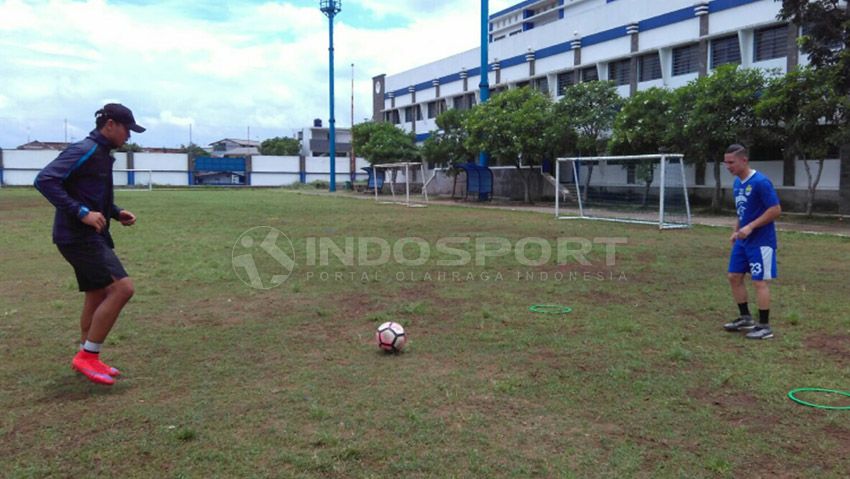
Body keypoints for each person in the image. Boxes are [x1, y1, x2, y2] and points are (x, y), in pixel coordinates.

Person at [35, 103, 145, 385]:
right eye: (126, 129)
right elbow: (45, 180)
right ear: (109, 125)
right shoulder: (83, 150)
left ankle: (87, 355)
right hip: (78, 236)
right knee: (122, 288)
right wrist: (81, 213)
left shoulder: (101, 154)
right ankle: (87, 356)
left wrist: (114, 212)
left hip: (86, 235)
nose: (129, 136)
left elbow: (86, 192)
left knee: (97, 293)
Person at [722, 144, 781, 340]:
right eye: (726, 163)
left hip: (761, 241)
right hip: (743, 240)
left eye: (731, 162)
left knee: (759, 281)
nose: (728, 166)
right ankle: (745, 318)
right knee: (734, 276)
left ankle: (765, 326)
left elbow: (775, 210)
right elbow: (742, 211)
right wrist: (736, 230)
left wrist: (751, 227)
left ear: (744, 160)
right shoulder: (738, 183)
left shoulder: (761, 182)